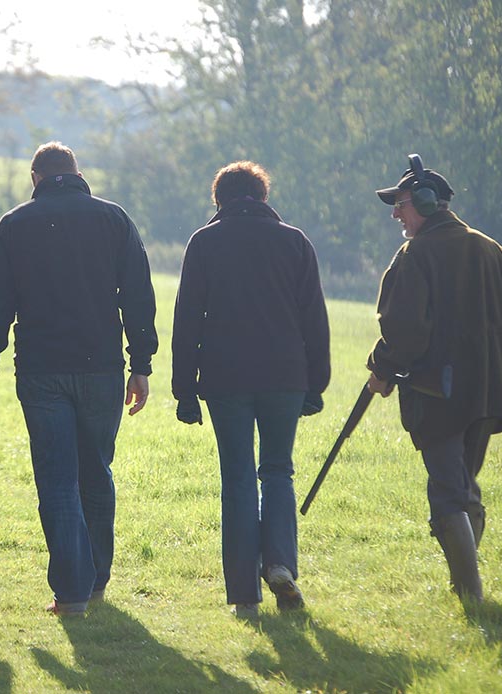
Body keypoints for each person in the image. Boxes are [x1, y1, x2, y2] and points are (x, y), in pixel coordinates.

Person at [0, 142, 158, 616]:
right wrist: (141, 364)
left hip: (41, 368)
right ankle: (96, 581)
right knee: (96, 471)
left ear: (35, 178)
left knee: (57, 478)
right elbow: (138, 297)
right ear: (76, 173)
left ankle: (72, 593)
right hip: (102, 368)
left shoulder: (14, 225)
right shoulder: (114, 219)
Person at [367, 154, 502, 603]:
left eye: (403, 203)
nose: (396, 213)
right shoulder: (494, 250)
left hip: (438, 395)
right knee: (463, 484)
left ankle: (470, 596)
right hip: (490, 396)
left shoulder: (415, 255)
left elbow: (406, 331)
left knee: (450, 490)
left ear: (429, 204)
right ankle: (464, 589)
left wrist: (382, 369)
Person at [172, 161, 331, 620]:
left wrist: (185, 389)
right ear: (263, 197)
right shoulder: (295, 241)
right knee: (278, 470)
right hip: (285, 377)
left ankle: (244, 597)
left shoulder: (204, 243)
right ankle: (280, 562)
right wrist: (315, 383)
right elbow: (313, 321)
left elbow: (188, 321)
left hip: (226, 379)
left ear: (218, 200)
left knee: (238, 476)